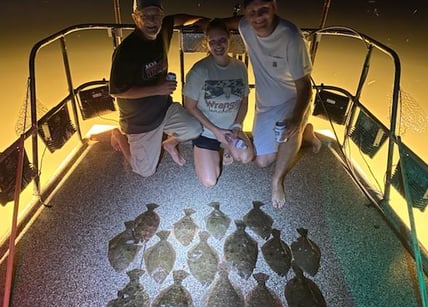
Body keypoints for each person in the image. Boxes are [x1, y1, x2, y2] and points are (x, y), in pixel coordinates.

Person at [227, 0, 321, 208]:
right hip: (266, 106)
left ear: (274, 7)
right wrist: (206, 23)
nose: (258, 17)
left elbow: (305, 86)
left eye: (264, 10)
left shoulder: (291, 36)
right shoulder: (244, 26)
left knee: (290, 129)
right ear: (246, 13)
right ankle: (307, 133)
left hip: (293, 99)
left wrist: (296, 117)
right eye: (252, 12)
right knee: (262, 161)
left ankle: (277, 180)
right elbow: (227, 23)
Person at [108, 0, 206, 177]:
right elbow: (117, 91)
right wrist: (157, 89)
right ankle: (118, 135)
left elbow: (179, 19)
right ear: (135, 18)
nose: (152, 21)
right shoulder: (126, 51)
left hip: (164, 109)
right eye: (146, 16)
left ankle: (169, 143)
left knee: (195, 129)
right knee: (145, 171)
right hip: (140, 121)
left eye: (157, 15)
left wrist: (205, 22)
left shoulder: (162, 30)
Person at [183, 18, 253, 187]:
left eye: (222, 40)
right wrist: (216, 131)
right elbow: (189, 105)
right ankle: (209, 150)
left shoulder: (240, 67)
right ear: (207, 44)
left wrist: (237, 127)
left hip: (231, 131)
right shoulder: (200, 69)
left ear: (230, 39)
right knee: (209, 181)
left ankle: (226, 147)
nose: (218, 45)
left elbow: (244, 101)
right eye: (212, 41)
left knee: (246, 157)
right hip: (206, 132)